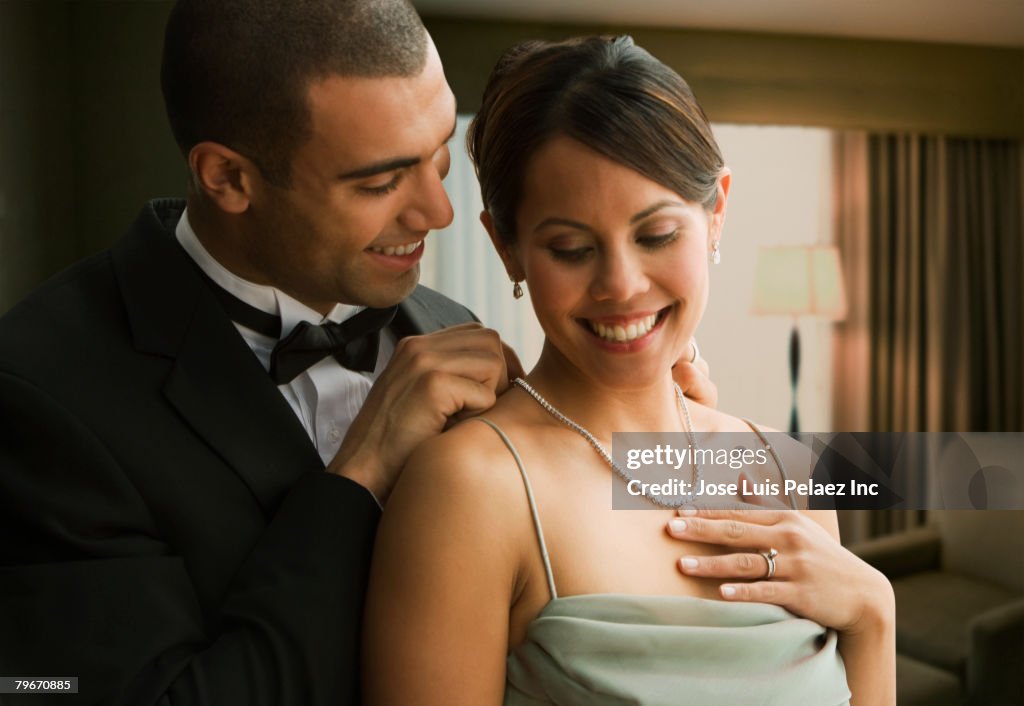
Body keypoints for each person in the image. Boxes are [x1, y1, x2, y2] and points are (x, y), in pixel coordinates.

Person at [0, 3, 715, 705]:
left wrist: (710, 456)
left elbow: (612, 488)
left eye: (439, 160)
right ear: (228, 178)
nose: (437, 213)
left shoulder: (448, 330)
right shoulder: (40, 389)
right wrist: (360, 476)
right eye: (380, 182)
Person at [363, 36, 896, 705]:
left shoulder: (782, 465)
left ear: (717, 212)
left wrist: (874, 614)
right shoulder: (472, 488)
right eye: (572, 248)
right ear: (508, 248)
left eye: (656, 236)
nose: (621, 284)